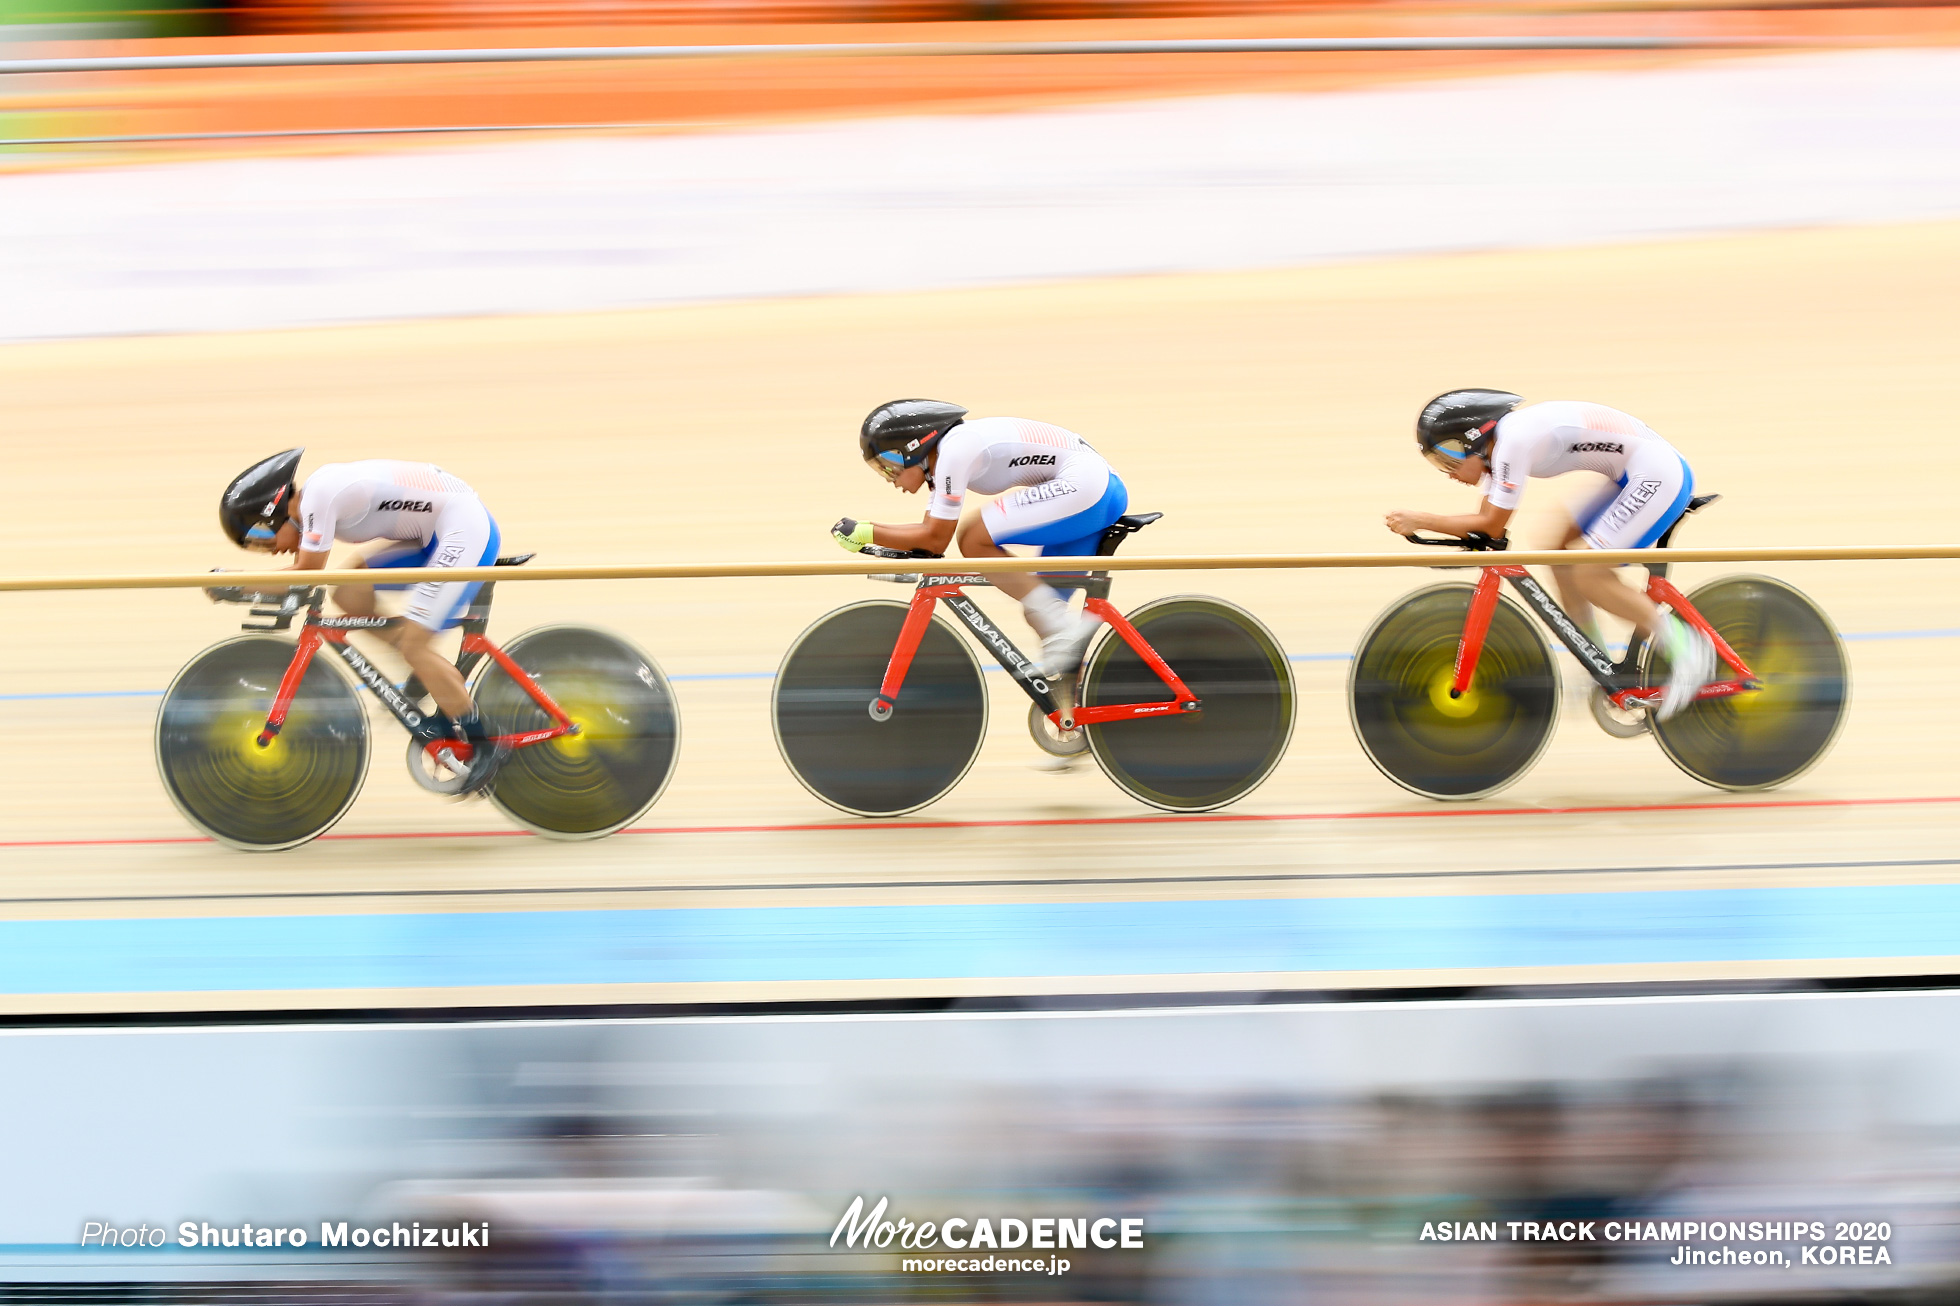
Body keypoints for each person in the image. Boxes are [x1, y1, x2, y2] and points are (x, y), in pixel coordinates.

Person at [1385, 389, 1715, 720]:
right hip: (1633, 473)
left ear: (1473, 440)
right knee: (1556, 552)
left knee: (1588, 572)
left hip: (1658, 474)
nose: (1448, 473)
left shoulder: (1511, 442)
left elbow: (1491, 523)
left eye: (1448, 458)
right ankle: (1596, 660)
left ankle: (1689, 652)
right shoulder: (1496, 451)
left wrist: (1421, 520)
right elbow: (1489, 526)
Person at [218, 448, 509, 793]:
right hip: (437, 533)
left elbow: (307, 572)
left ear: (274, 511)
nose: (269, 551)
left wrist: (234, 582)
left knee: (417, 647)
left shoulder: (318, 497)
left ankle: (487, 743)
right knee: (347, 593)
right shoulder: (318, 494)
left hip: (463, 529)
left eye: (262, 540)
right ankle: (424, 664)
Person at [833, 399, 1127, 680]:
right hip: (1094, 490)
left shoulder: (955, 450)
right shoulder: (944, 461)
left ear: (913, 449)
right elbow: (928, 532)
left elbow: (936, 539)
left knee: (973, 538)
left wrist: (866, 531)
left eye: (888, 464)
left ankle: (1068, 636)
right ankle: (1078, 705)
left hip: (1088, 489)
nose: (888, 476)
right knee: (1046, 616)